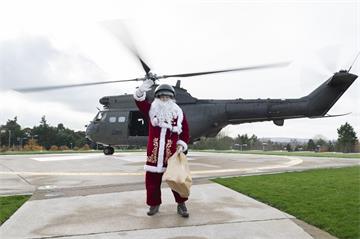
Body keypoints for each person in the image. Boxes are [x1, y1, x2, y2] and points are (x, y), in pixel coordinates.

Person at [134, 79, 190, 217]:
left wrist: (182, 144)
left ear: (172, 98)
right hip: (154, 152)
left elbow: (185, 131)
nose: (164, 99)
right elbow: (140, 102)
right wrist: (141, 90)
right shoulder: (151, 110)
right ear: (157, 97)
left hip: (171, 153)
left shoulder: (178, 112)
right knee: (152, 181)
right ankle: (154, 204)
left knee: (177, 179)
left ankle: (181, 204)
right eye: (161, 96)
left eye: (167, 96)